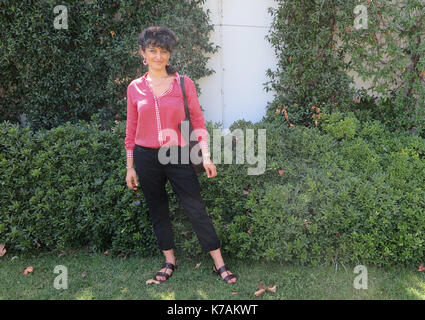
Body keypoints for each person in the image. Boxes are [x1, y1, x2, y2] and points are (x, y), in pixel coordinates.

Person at [124, 26, 237, 284]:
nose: (158, 56)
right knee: (157, 209)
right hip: (145, 157)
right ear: (143, 53)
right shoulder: (134, 88)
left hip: (177, 154)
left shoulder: (183, 84)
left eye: (163, 51)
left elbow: (197, 121)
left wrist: (205, 155)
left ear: (169, 55)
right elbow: (131, 128)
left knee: (195, 208)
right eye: (152, 50)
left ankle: (219, 263)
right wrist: (130, 166)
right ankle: (169, 261)